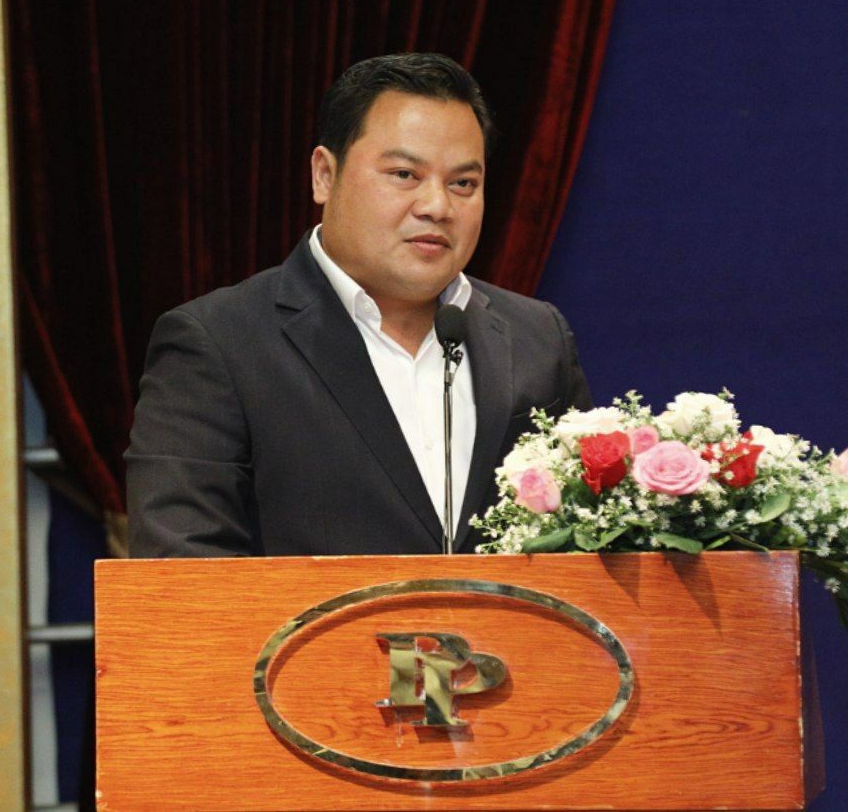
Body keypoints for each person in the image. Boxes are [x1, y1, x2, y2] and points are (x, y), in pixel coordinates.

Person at [126, 53, 592, 557]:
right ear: (324, 175)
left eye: (463, 184)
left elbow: (589, 547)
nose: (437, 206)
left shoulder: (537, 337)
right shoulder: (218, 343)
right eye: (404, 174)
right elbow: (182, 566)